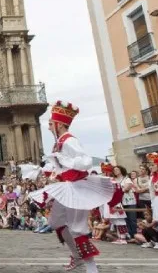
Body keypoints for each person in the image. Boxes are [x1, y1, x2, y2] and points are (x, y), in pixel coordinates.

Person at [29, 101, 115, 273]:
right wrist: (44, 169)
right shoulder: (59, 143)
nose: (48, 127)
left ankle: (91, 268)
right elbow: (59, 166)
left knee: (77, 228)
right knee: (55, 222)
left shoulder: (69, 141)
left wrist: (65, 161)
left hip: (77, 188)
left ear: (59, 125)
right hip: (67, 187)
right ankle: (76, 256)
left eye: (51, 124)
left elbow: (86, 161)